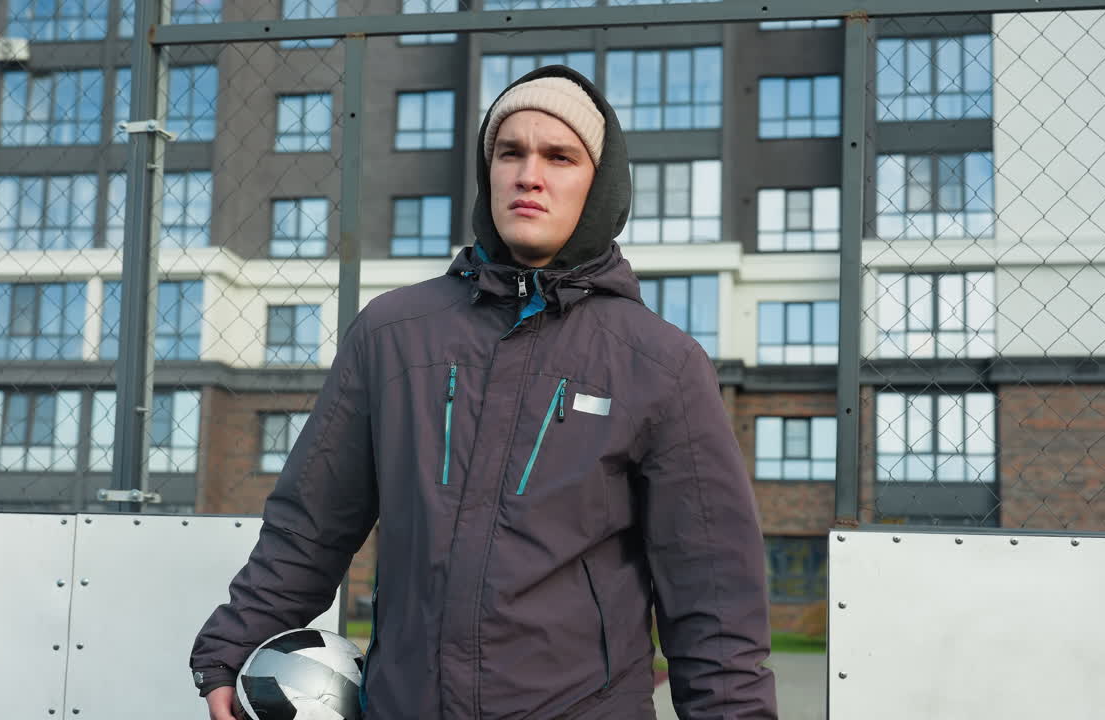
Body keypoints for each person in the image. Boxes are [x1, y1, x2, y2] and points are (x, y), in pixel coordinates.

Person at [191, 65, 778, 719]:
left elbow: (713, 598)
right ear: (488, 170)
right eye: (510, 152)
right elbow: (309, 528)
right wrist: (233, 645)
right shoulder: (392, 336)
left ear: (601, 183)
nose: (530, 174)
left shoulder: (662, 366)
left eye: (560, 156)